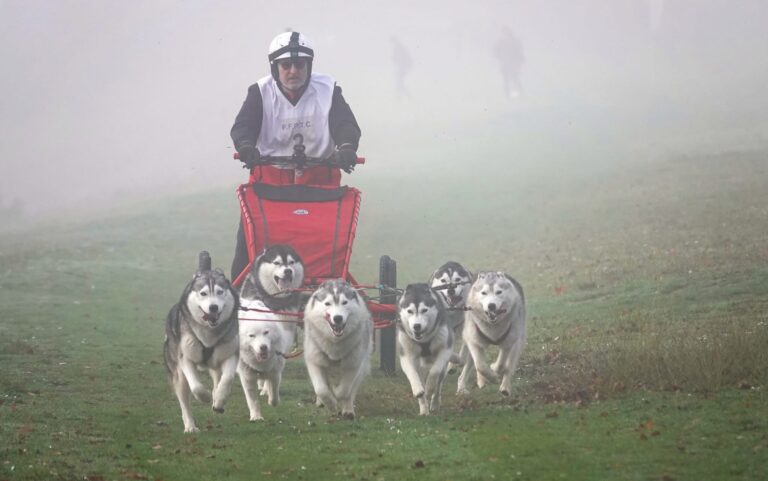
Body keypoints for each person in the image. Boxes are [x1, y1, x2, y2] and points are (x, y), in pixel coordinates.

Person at [230, 31, 361, 280]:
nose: (293, 71)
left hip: (320, 180)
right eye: (286, 65)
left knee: (326, 243)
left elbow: (345, 125)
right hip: (270, 181)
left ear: (309, 66)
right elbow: (243, 126)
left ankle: (324, 281)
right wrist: (246, 146)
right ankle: (236, 299)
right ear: (275, 67)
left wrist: (346, 147)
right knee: (248, 242)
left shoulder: (328, 89)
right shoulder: (260, 92)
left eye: (299, 65)